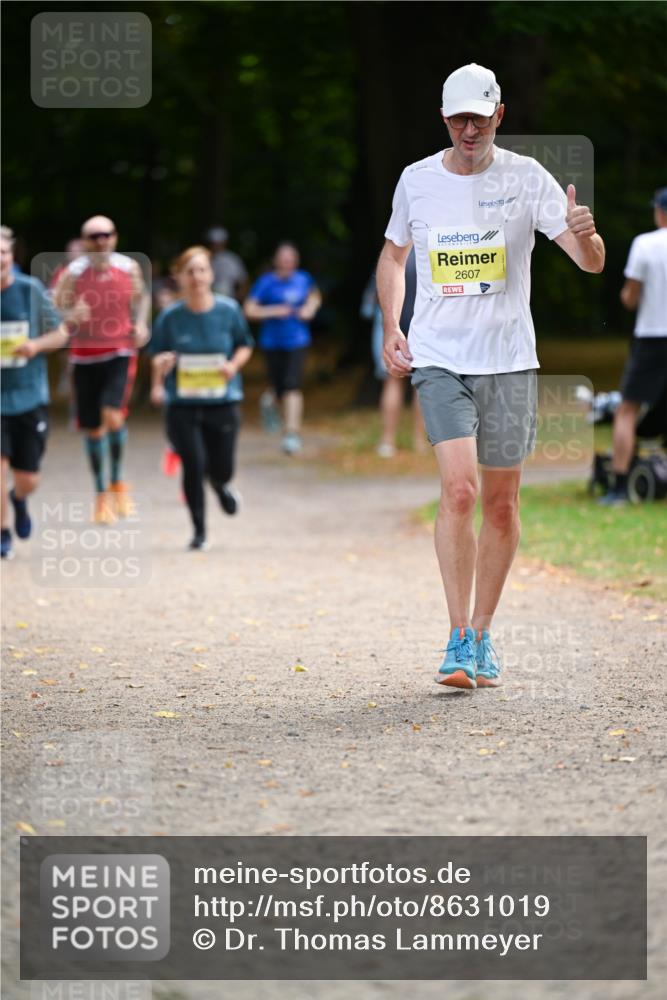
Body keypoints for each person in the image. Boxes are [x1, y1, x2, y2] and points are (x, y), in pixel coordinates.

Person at [377, 63, 604, 689]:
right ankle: (455, 639)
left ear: (499, 114)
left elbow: (589, 265)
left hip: (508, 360)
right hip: (439, 357)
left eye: (479, 116)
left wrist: (589, 237)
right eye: (458, 118)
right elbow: (393, 256)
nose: (469, 128)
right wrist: (392, 326)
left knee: (502, 504)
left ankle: (482, 633)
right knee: (460, 491)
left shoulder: (527, 178)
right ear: (444, 119)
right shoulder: (416, 180)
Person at [150, 246, 254, 550]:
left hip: (223, 401)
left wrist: (232, 366)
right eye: (190, 271)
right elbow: (157, 356)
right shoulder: (170, 317)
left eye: (202, 270)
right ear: (179, 277)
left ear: (211, 274)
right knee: (193, 464)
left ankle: (221, 484)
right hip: (182, 404)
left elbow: (245, 344)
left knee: (221, 467)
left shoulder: (228, 310)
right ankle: (199, 530)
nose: (196, 277)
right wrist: (159, 380)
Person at [53, 215, 150, 523]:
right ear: (85, 241)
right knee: (93, 427)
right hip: (84, 356)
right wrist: (71, 313)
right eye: (94, 236)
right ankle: (100, 494)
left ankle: (118, 481)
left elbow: (142, 297)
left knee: (113, 414)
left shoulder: (128, 267)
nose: (101, 241)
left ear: (115, 238)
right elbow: (55, 304)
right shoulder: (73, 273)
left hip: (119, 351)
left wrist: (142, 324)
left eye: (106, 235)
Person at [1, 226, 68, 559]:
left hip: (28, 397)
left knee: (27, 478)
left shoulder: (31, 290)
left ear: (11, 255)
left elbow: (60, 334)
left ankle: (19, 499)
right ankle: (3, 533)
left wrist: (35, 345)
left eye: (2, 252)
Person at [600, 186, 667, 505]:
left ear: (660, 212)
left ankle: (619, 486)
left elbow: (630, 295)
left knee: (627, 409)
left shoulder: (645, 244)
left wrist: (628, 299)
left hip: (652, 336)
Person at [244, 242, 321, 455]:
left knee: (292, 386)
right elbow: (249, 309)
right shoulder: (266, 283)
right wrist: (273, 311)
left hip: (298, 341)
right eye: (283, 259)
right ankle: (269, 402)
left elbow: (315, 297)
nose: (287, 263)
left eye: (291, 259)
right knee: (278, 389)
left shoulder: (304, 279)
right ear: (276, 261)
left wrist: (310, 308)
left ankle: (291, 434)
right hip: (272, 343)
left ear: (296, 262)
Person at [361, 248, 427, 458]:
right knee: (423, 384)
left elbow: (369, 303)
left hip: (393, 325)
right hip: (423, 324)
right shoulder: (429, 250)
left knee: (392, 380)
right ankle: (420, 442)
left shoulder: (393, 252)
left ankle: (387, 441)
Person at [205, 227, 249, 301]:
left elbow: (243, 281)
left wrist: (238, 298)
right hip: (206, 299)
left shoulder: (233, 259)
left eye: (219, 243)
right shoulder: (203, 258)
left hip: (228, 298)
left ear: (225, 242)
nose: (216, 246)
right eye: (214, 243)